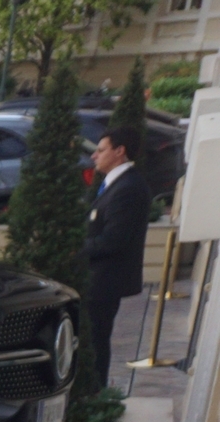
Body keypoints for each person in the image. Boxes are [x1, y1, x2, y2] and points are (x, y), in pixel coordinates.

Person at [84, 125, 150, 396]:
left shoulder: (128, 189)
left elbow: (114, 240)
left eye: (100, 150)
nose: (94, 157)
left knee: (95, 340)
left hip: (104, 280)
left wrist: (71, 249)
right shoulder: (115, 185)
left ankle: (93, 394)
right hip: (98, 278)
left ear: (119, 152)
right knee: (91, 339)